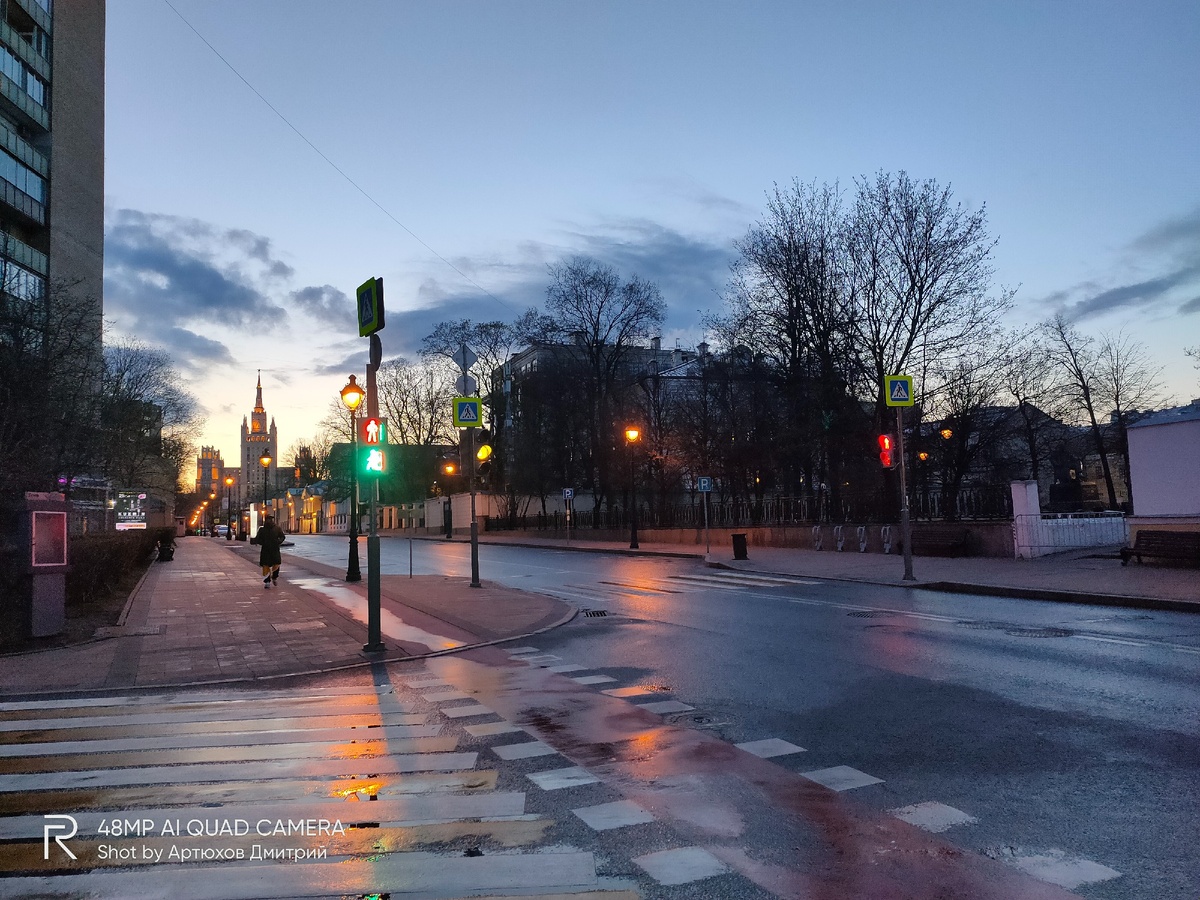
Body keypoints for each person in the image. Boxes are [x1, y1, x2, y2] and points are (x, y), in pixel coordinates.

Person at [251, 515, 285, 588]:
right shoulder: (262, 530)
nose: (269, 521)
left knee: (276, 563)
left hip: (274, 549)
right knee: (265, 566)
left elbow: (282, 536)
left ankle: (274, 577)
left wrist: (278, 542)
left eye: (270, 520)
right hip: (266, 550)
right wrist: (263, 542)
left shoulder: (277, 528)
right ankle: (267, 582)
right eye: (268, 520)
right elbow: (258, 539)